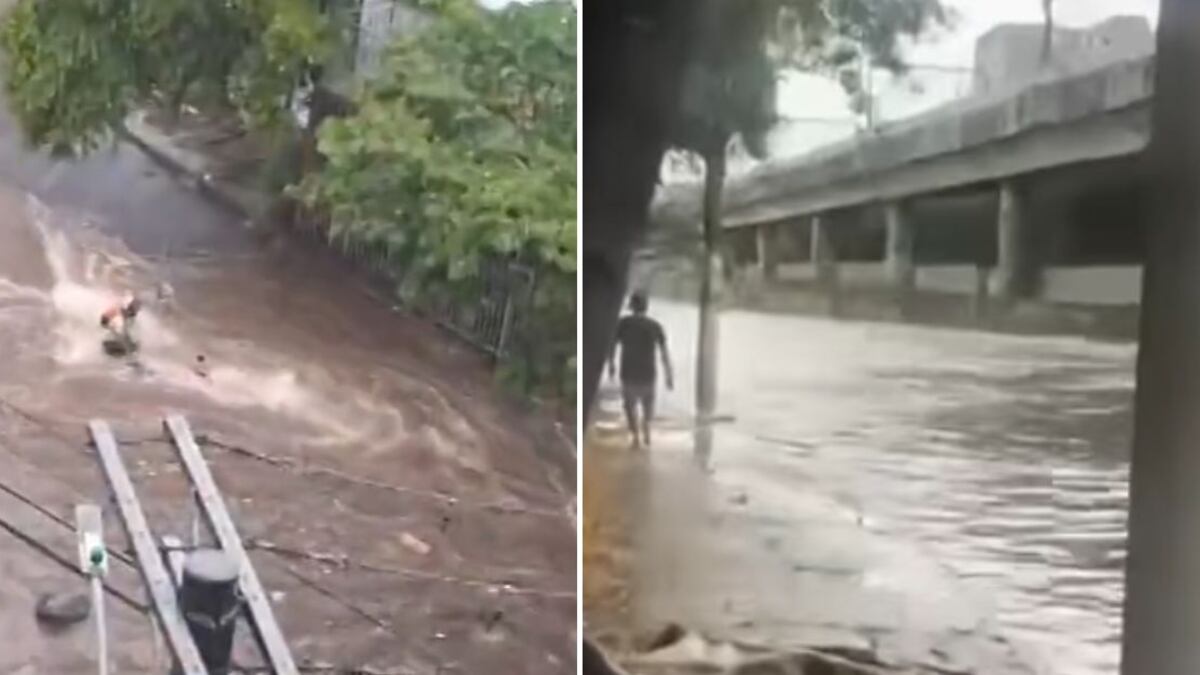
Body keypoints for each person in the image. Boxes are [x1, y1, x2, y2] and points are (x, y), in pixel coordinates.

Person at [608, 292, 673, 448]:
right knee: (647, 406)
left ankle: (636, 435)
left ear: (631, 306)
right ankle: (646, 428)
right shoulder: (655, 326)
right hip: (648, 373)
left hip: (628, 372)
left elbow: (611, 346)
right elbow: (664, 353)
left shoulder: (623, 324)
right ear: (646, 306)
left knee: (630, 406)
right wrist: (669, 374)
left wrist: (611, 364)